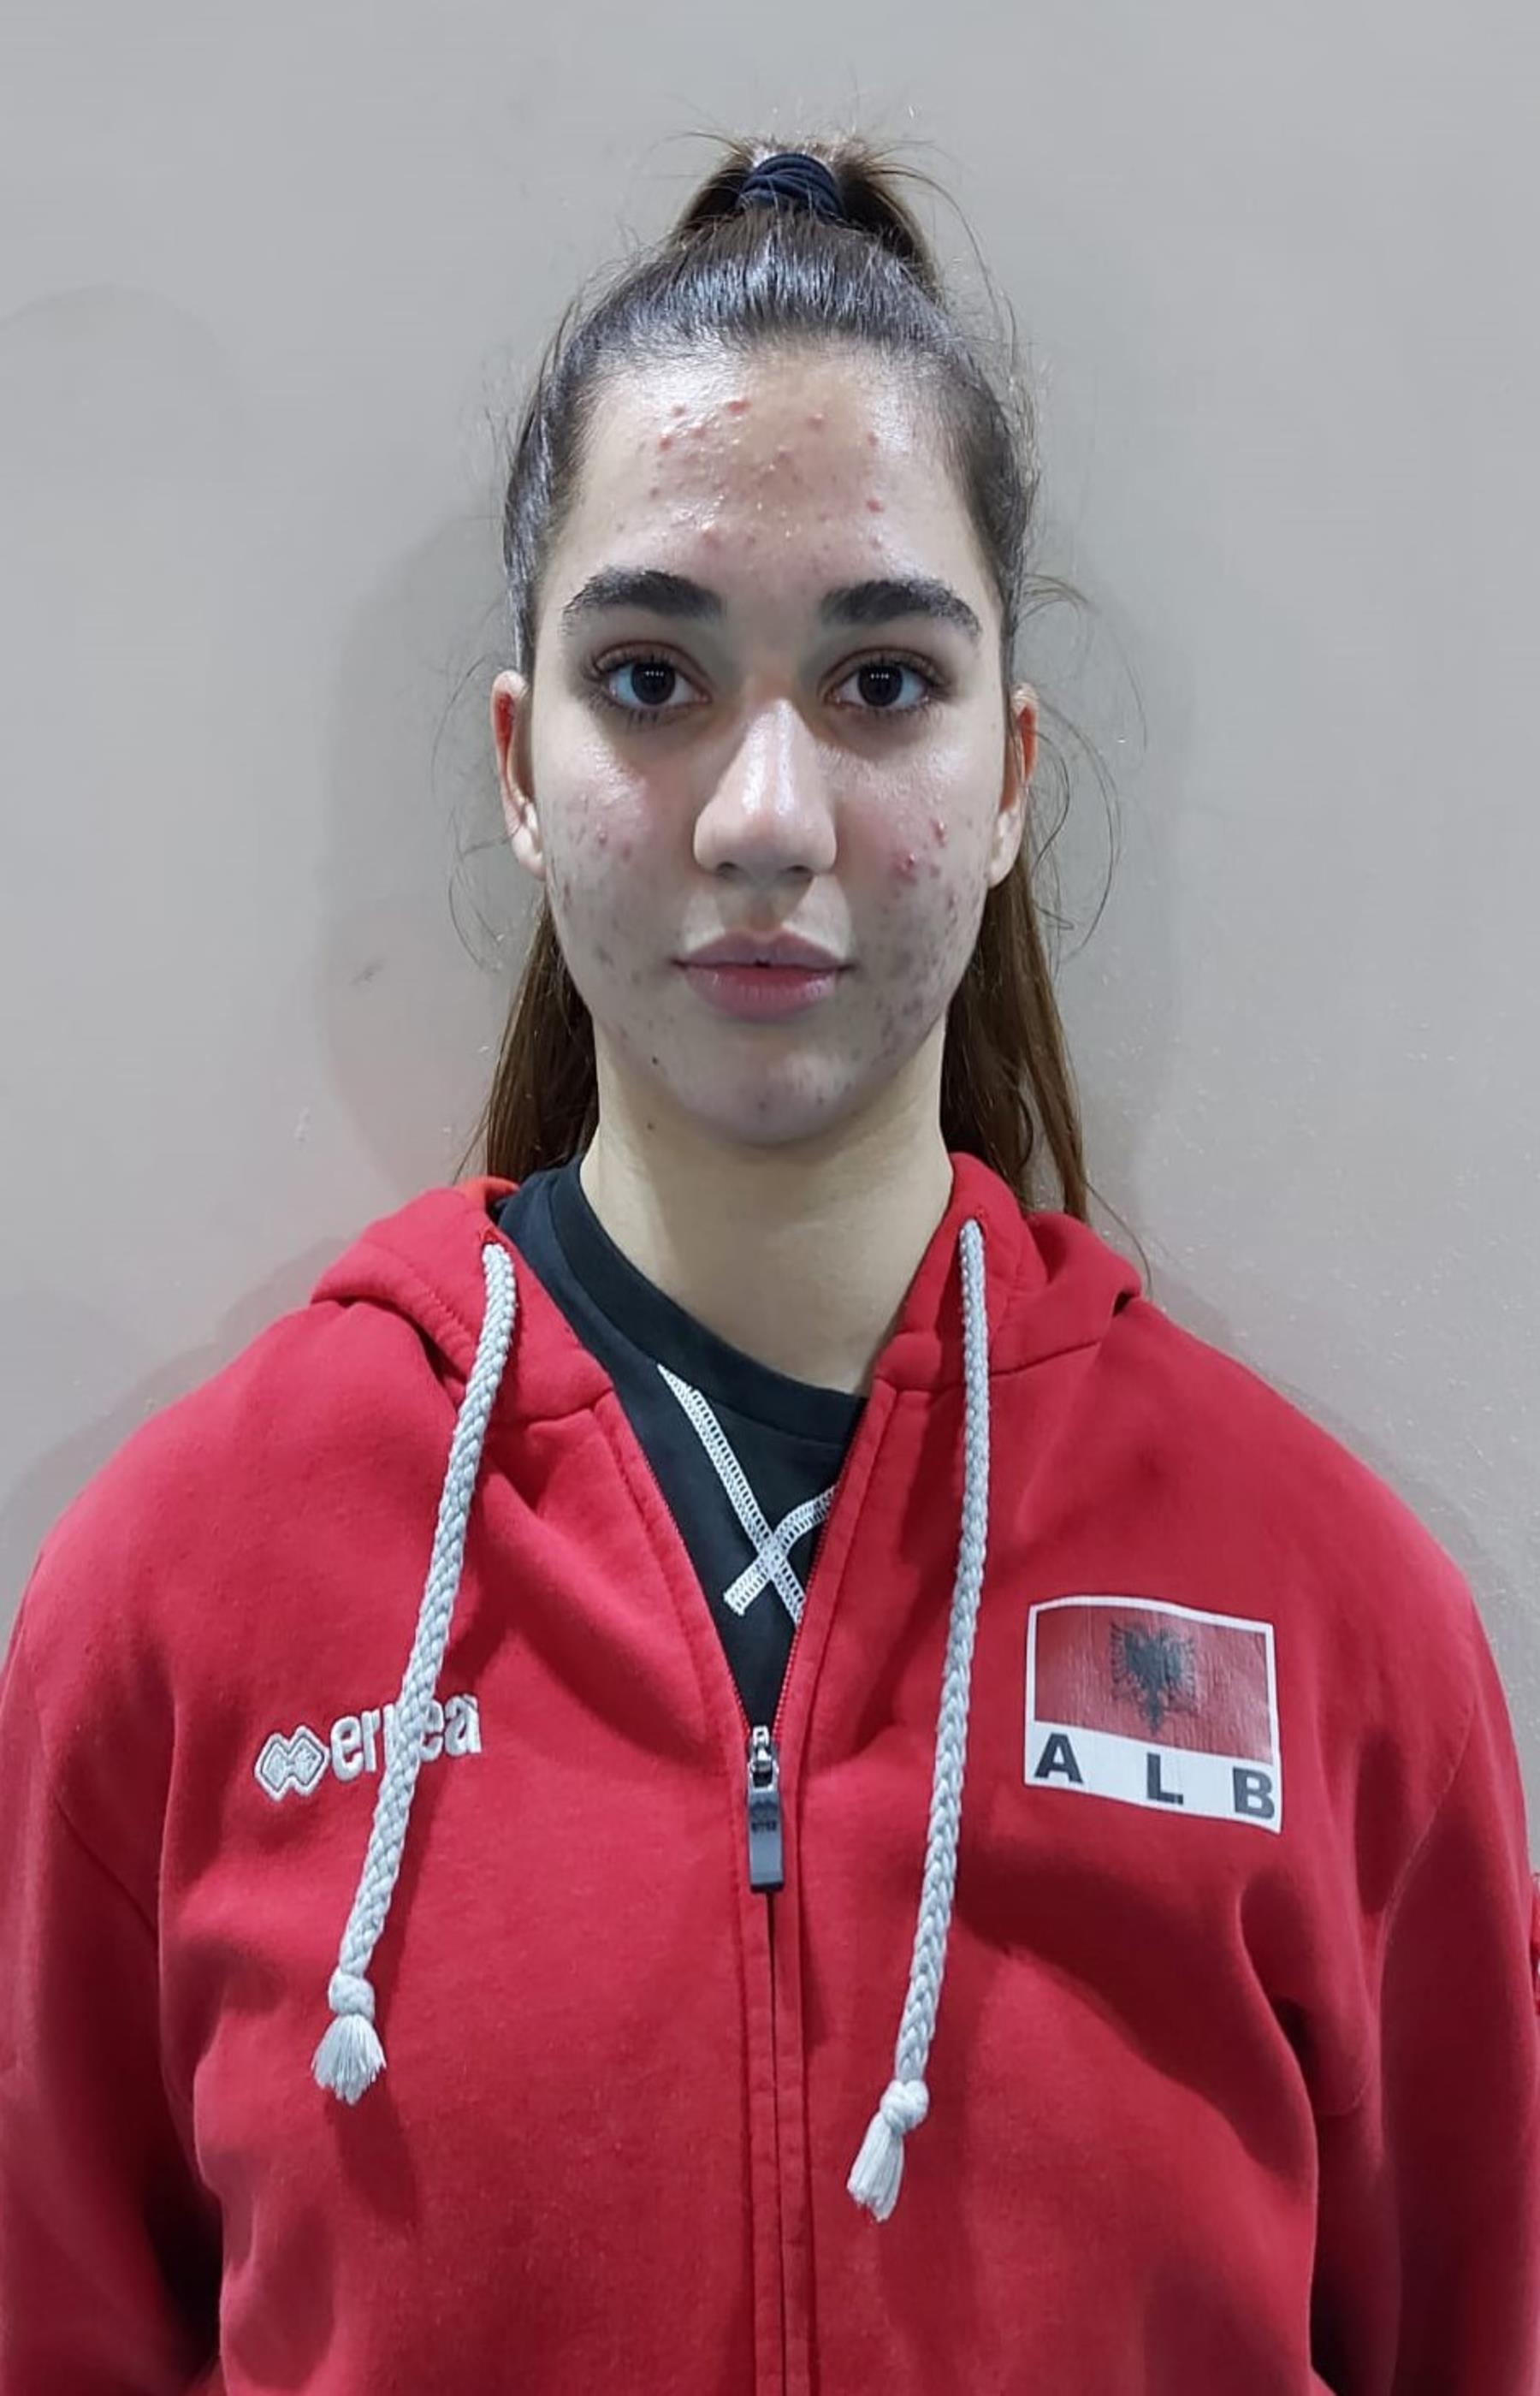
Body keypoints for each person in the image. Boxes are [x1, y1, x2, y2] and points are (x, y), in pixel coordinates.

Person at [1, 133, 1537, 2396]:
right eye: (653, 678)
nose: (764, 818)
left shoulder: (1335, 1633)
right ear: (520, 766)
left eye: (883, 684)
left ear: (1010, 781)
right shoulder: (177, 1604)